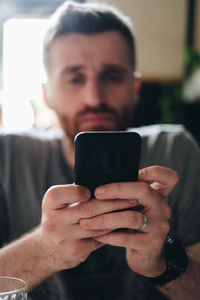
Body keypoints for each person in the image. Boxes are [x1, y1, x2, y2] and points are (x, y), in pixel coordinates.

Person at [0, 1, 200, 299]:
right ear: (48, 94)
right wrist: (42, 249)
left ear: (135, 88)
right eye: (75, 78)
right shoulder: (9, 156)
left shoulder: (175, 151)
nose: (94, 97)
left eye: (112, 76)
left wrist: (161, 264)